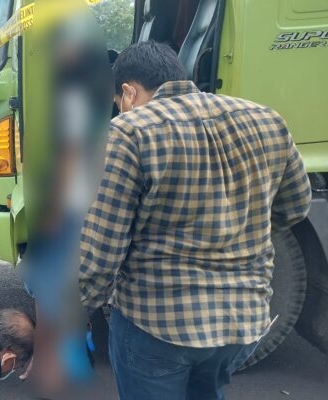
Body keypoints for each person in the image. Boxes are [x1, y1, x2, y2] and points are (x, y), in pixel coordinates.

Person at [79, 41, 311, 399]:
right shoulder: (266, 119)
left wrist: (73, 314)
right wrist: (240, 234)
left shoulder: (129, 132)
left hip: (158, 325)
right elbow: (296, 205)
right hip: (242, 322)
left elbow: (102, 252)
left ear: (127, 92)